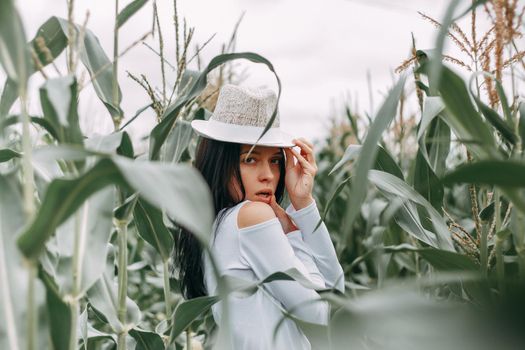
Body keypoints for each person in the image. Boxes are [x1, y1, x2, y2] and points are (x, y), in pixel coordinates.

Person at [174, 84, 345, 349]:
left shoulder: (217, 224)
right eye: (250, 159)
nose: (268, 175)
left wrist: (302, 202)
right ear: (222, 162)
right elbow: (325, 311)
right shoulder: (251, 215)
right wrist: (294, 230)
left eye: (275, 160)